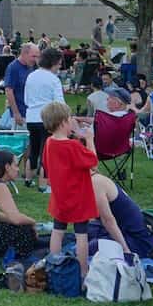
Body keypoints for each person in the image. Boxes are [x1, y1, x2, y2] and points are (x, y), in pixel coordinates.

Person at [41, 101, 99, 278]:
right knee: (81, 235)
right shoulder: (72, 146)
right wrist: (89, 139)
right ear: (64, 122)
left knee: (58, 231)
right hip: (78, 196)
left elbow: (47, 165)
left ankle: (53, 264)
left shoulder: (50, 142)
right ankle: (83, 271)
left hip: (60, 195)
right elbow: (93, 161)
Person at [22, 47, 65, 190]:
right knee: (46, 153)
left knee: (33, 149)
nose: (60, 66)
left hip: (31, 118)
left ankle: (28, 179)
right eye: (59, 64)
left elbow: (26, 99)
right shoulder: (54, 80)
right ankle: (43, 185)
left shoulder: (31, 76)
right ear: (53, 63)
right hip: (47, 119)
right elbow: (59, 103)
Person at [87, 173, 153, 258]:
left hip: (137, 240)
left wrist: (125, 250)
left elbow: (108, 221)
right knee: (88, 230)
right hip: (121, 229)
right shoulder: (93, 180)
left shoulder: (96, 182)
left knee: (90, 247)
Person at [4, 43, 39, 128]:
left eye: (37, 57)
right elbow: (9, 91)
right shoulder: (13, 68)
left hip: (31, 113)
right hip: (21, 114)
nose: (36, 60)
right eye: (33, 56)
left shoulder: (31, 67)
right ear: (24, 54)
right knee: (21, 139)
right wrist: (16, 113)